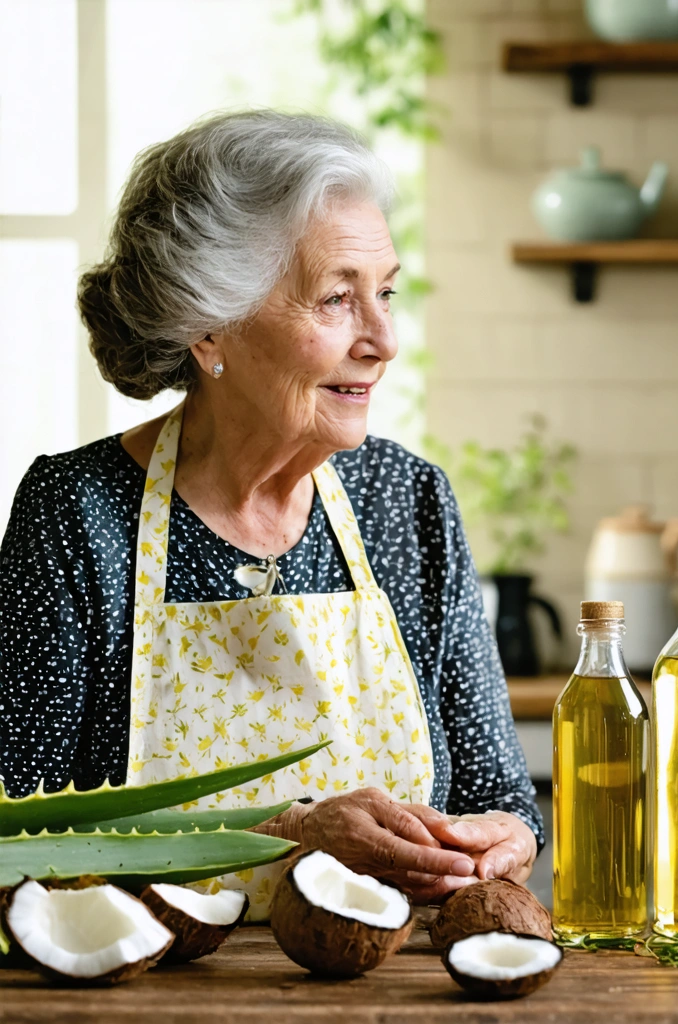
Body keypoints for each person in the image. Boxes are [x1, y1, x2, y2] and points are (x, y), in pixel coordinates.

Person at [0, 111, 540, 917]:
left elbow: (503, 795)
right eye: (336, 299)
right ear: (209, 325)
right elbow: (18, 846)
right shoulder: (78, 516)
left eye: (385, 292)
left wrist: (503, 837)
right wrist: (288, 836)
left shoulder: (408, 501)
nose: (384, 339)